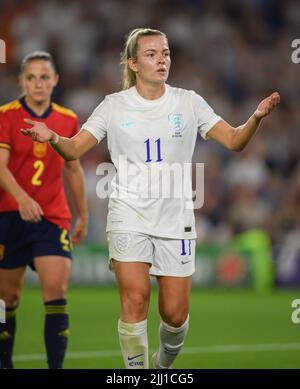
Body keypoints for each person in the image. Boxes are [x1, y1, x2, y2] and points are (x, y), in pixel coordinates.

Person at [21, 29, 280, 369]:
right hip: (128, 214)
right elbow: (73, 148)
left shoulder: (188, 102)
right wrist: (53, 136)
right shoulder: (113, 106)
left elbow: (234, 141)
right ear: (133, 63)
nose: (162, 59)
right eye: (152, 54)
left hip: (176, 218)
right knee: (135, 299)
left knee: (174, 316)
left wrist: (255, 119)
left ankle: (161, 366)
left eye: (166, 53)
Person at [0, 51, 88, 369]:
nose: (38, 83)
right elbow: (0, 167)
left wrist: (84, 214)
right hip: (9, 215)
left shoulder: (68, 119)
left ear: (55, 81)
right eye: (31, 77)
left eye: (44, 77)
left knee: (56, 290)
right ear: (22, 81)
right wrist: (22, 198)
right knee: (6, 299)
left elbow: (74, 170)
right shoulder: (6, 115)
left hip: (52, 217)